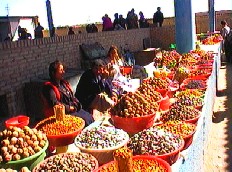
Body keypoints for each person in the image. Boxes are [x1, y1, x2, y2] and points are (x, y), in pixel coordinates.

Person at [42, 60, 94, 126]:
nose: (63, 72)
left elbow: (72, 96)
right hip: (63, 114)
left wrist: (77, 104)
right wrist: (69, 108)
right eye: (61, 70)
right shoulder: (49, 88)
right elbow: (55, 103)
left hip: (73, 109)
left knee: (90, 117)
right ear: (53, 72)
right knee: (85, 121)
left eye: (63, 70)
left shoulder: (63, 83)